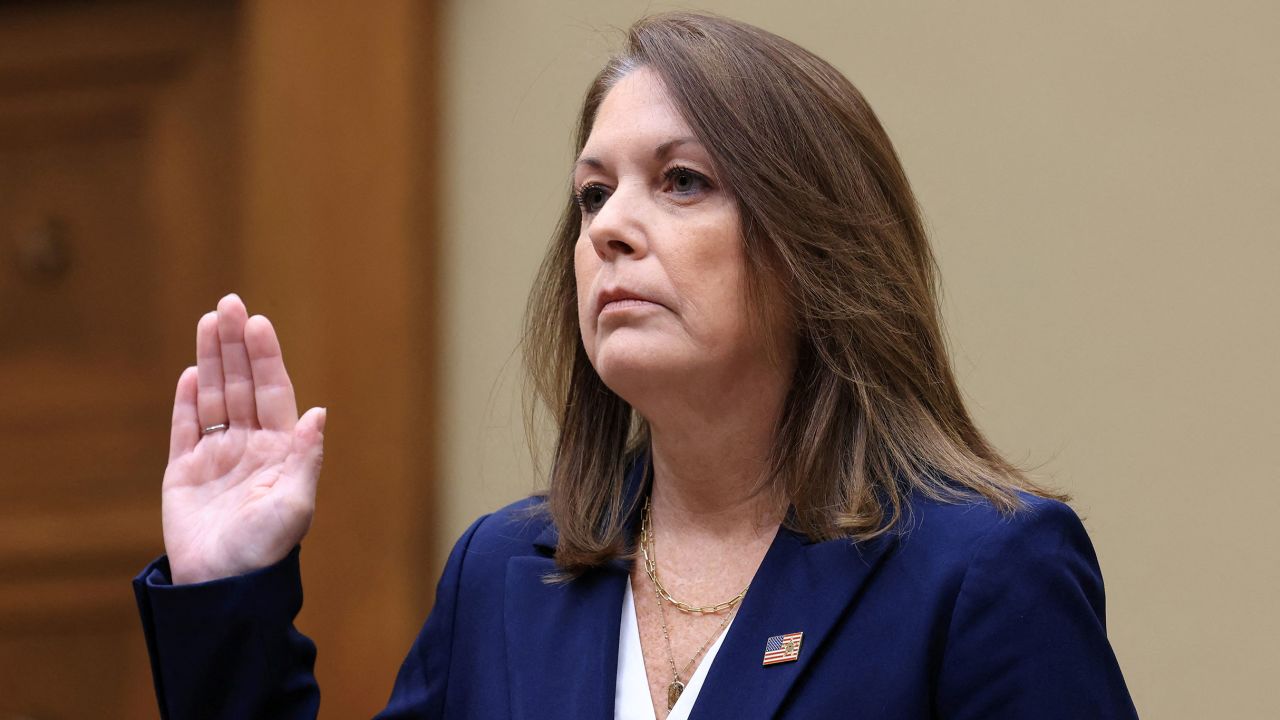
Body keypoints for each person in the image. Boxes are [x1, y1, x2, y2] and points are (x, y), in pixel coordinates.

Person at [133, 12, 1138, 720]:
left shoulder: (980, 574)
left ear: (814, 245)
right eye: (591, 194)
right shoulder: (504, 576)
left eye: (682, 182)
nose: (611, 226)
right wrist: (228, 588)